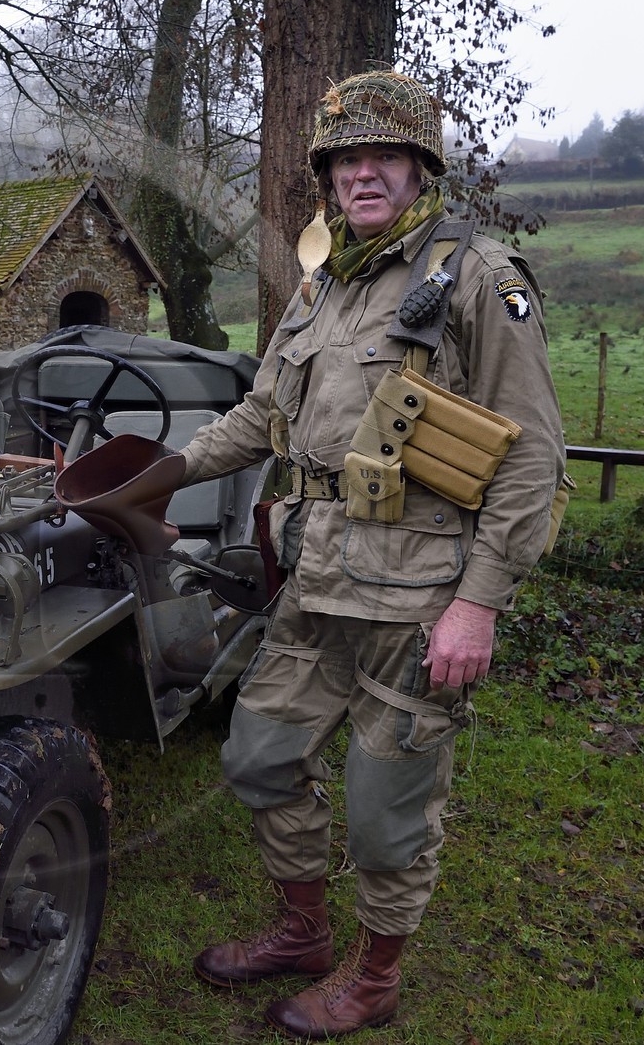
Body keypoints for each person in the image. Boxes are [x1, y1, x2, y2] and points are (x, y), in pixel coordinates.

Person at [179, 71, 564, 1038]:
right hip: (316, 583)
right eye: (346, 159)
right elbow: (264, 413)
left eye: (383, 157)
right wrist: (158, 474)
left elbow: (534, 462)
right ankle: (303, 932)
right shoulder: (324, 285)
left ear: (419, 167)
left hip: (419, 600)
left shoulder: (477, 278)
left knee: (384, 813)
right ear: (327, 176)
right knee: (261, 754)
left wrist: (478, 605)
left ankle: (377, 976)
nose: (363, 175)